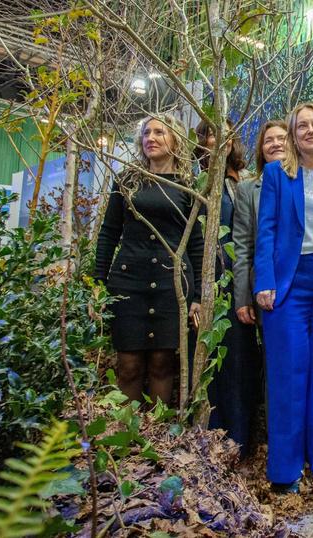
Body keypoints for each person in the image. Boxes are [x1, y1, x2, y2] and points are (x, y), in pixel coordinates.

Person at [254, 103, 313, 492]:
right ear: (292, 134)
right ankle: (285, 471)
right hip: (289, 286)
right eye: (302, 126)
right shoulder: (277, 174)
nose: (310, 131)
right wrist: (264, 281)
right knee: (288, 377)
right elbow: (267, 231)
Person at [94, 114, 203, 405]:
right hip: (128, 285)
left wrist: (199, 296)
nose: (150, 138)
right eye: (146, 133)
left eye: (159, 133)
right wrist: (96, 284)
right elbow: (108, 233)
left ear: (176, 140)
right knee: (128, 365)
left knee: (162, 363)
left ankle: (158, 439)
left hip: (172, 287)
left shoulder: (189, 186)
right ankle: (126, 438)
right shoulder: (127, 181)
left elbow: (196, 243)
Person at [195, 118, 261, 459]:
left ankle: (239, 441)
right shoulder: (199, 183)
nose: (218, 138)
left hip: (240, 284)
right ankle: (210, 439)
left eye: (225, 132)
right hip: (207, 284)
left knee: (241, 363)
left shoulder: (247, 182)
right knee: (211, 365)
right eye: (209, 132)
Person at [232, 119, 287, 327]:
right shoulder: (247, 189)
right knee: (272, 356)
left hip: (304, 281)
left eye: (282, 138)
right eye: (268, 140)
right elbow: (243, 248)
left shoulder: (309, 182)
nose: (276, 144)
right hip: (265, 287)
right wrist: (243, 298)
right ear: (261, 150)